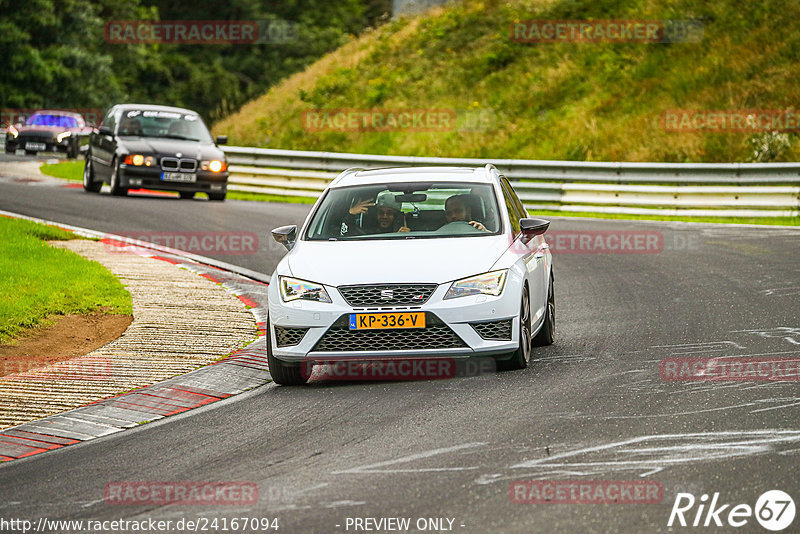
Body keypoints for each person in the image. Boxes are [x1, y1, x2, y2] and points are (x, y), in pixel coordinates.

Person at [344, 191, 410, 234]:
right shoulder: (367, 233)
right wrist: (351, 214)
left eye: (389, 213)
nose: (385, 216)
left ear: (396, 216)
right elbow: (344, 233)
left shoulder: (409, 233)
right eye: (381, 212)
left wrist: (403, 237)